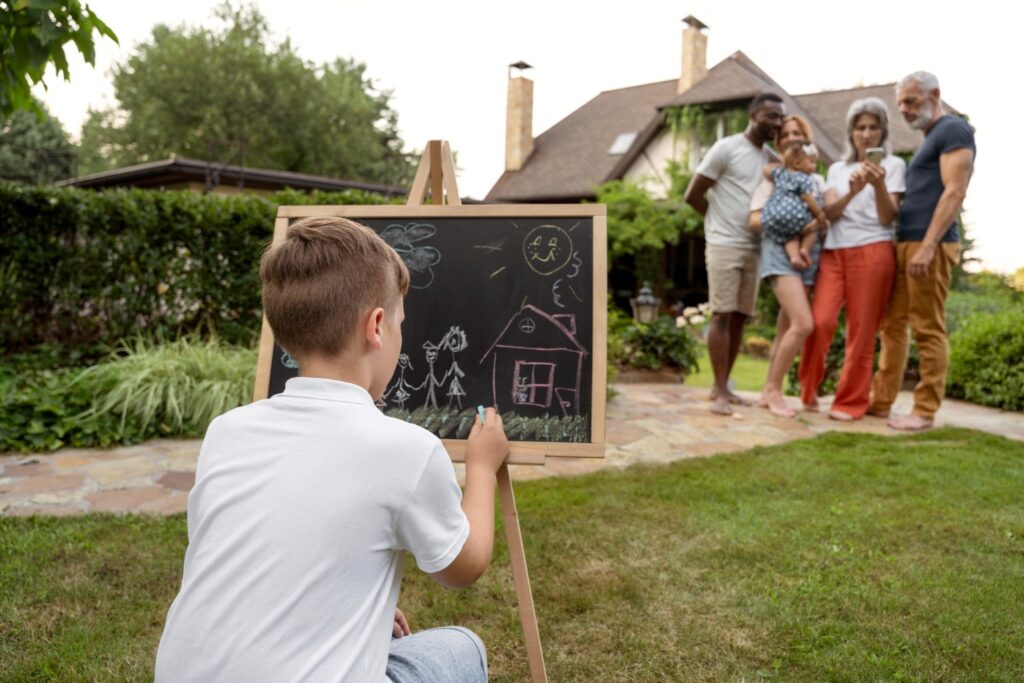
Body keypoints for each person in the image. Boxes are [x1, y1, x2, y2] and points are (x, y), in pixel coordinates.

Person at [154, 217, 509, 682]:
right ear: (377, 326)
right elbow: (463, 567)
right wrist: (481, 466)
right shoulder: (405, 449)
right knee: (462, 647)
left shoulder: (227, 431)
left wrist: (354, 601)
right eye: (401, 324)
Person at [868, 72, 975, 431]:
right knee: (892, 325)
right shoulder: (930, 139)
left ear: (935, 95)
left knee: (928, 327)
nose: (904, 109)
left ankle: (925, 410)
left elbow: (955, 191)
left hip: (929, 246)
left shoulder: (953, 130)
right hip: (905, 243)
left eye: (911, 101)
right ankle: (881, 402)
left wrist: (928, 247)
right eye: (901, 103)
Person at [799, 97, 905, 420]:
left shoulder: (895, 166)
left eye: (873, 127)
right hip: (834, 251)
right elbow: (827, 214)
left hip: (874, 249)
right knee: (820, 322)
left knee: (861, 331)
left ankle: (850, 402)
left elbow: (889, 218)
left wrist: (879, 185)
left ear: (882, 132)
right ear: (851, 132)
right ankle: (808, 391)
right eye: (860, 127)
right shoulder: (837, 169)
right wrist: (853, 192)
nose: (867, 134)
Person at [684, 92, 785, 415]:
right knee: (722, 314)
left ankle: (723, 385)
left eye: (781, 118)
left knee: (741, 316)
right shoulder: (726, 148)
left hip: (755, 248)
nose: (777, 123)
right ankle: (719, 389)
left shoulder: (771, 158)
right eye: (771, 116)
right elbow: (693, 194)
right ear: (753, 114)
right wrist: (717, 223)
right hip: (724, 244)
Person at [748, 133, 829, 417]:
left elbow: (826, 213)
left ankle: (768, 391)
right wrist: (794, 224)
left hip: (809, 259)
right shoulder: (774, 179)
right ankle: (773, 389)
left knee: (786, 329)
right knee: (803, 324)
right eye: (789, 137)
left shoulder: (817, 180)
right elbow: (755, 219)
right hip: (780, 254)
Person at [760, 142, 829, 270]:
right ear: (797, 163)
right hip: (794, 212)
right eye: (812, 162)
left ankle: (794, 257)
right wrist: (819, 214)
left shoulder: (780, 173)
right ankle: (804, 250)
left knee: (788, 235)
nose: (814, 167)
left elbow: (766, 171)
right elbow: (807, 197)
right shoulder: (805, 178)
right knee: (811, 228)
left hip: (773, 212)